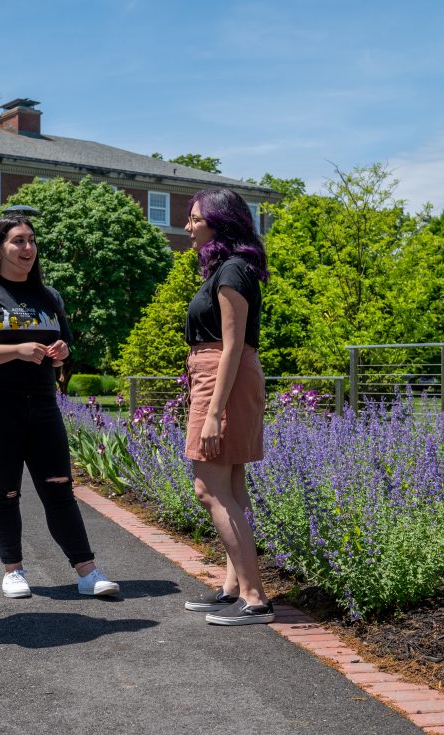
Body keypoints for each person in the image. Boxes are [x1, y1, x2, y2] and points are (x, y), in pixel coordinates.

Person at [0, 216, 120, 599]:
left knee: (59, 487)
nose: (27, 248)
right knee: (5, 491)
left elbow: (63, 351)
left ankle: (87, 571)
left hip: (43, 404)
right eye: (18, 241)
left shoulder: (49, 297)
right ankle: (13, 570)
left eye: (31, 240)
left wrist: (62, 353)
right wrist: (15, 350)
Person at [180, 188, 274, 625]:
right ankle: (234, 585)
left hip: (223, 379)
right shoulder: (230, 270)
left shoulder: (234, 272)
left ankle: (255, 599)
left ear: (219, 222)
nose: (188, 227)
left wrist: (214, 412)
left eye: (196, 219)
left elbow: (233, 347)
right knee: (231, 486)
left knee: (209, 488)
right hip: (220, 376)